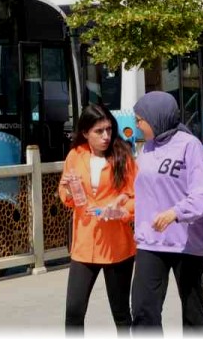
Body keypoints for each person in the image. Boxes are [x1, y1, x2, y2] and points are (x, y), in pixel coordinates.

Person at [130, 91, 203, 333]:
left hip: (187, 243)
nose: (137, 125)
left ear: (156, 117)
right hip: (151, 241)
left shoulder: (190, 146)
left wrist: (175, 213)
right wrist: (121, 205)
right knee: (142, 309)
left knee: (193, 311)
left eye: (140, 120)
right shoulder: (146, 149)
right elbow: (140, 191)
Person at [59, 104, 137, 335]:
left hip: (117, 246)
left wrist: (121, 209)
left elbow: (138, 196)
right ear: (85, 133)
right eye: (99, 131)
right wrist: (67, 191)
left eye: (109, 130)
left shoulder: (123, 155)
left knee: (121, 314)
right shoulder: (75, 155)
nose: (106, 136)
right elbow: (65, 194)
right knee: (74, 312)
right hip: (84, 246)